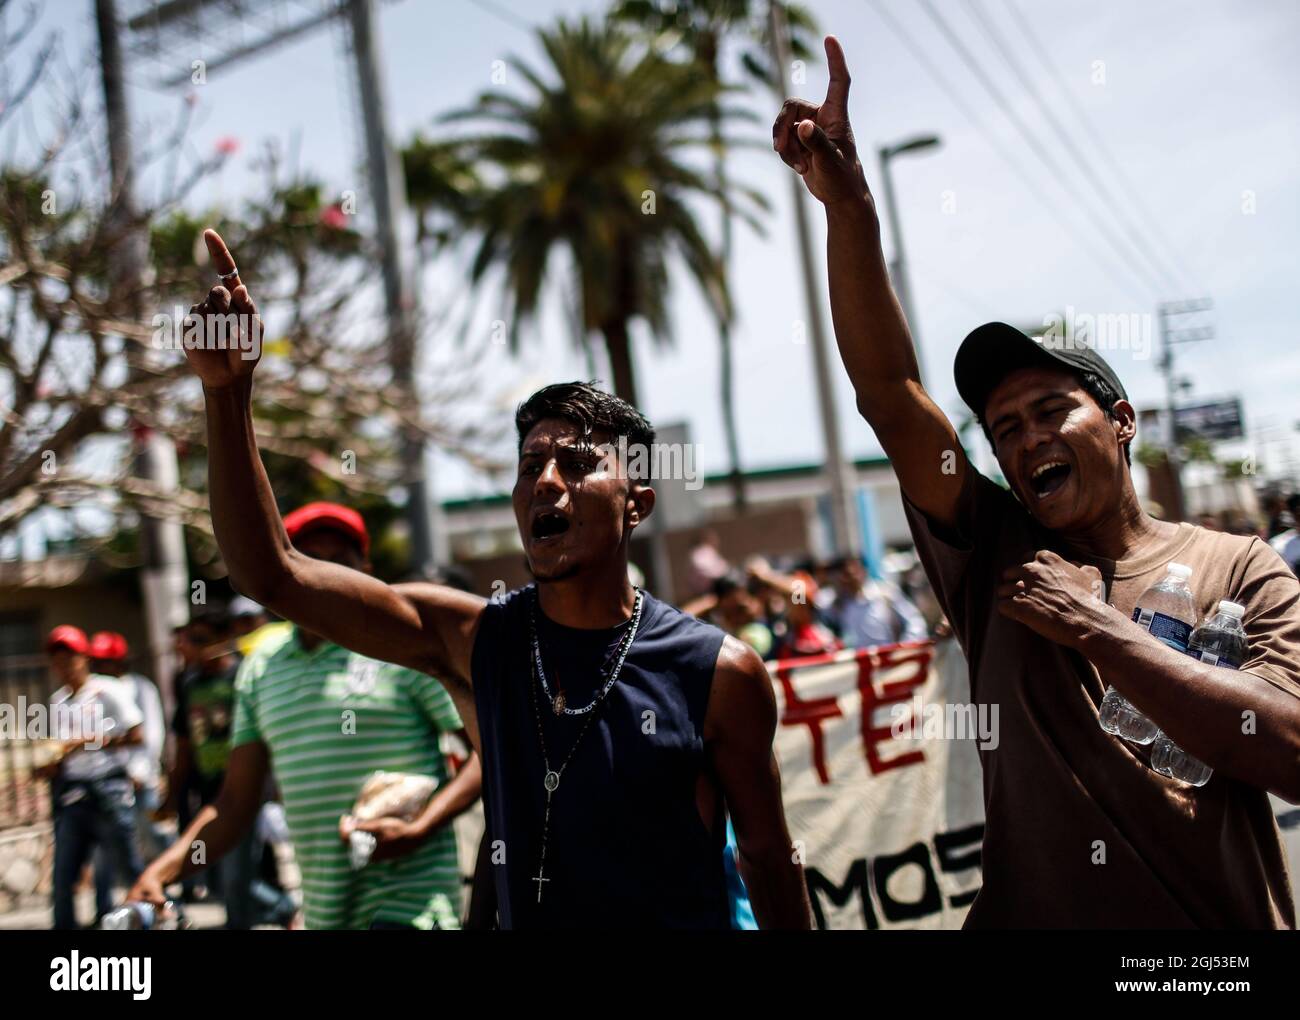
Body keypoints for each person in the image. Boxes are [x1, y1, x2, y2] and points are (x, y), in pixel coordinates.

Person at [773, 35, 1300, 927]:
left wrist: (1096, 629)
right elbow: (891, 399)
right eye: (1005, 428)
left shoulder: (1242, 569)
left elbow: (1288, 746)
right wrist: (848, 207)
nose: (1026, 439)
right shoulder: (992, 550)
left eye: (1054, 410)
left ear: (1121, 420)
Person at [165, 233, 811, 928]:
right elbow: (274, 574)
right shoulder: (478, 640)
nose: (547, 483)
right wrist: (227, 395)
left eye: (578, 462)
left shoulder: (719, 673)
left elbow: (770, 865)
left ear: (637, 502)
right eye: (530, 465)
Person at [132, 504, 482, 929]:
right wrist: (161, 871)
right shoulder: (261, 669)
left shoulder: (401, 649)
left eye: (339, 562)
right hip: (325, 913)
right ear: (285, 575)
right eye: (309, 561)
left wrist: (423, 825)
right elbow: (235, 802)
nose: (325, 577)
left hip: (410, 906)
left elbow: (486, 755)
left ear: (365, 568)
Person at [38, 626, 145, 929]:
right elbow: (61, 752)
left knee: (130, 868)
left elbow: (137, 735)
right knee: (63, 876)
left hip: (108, 787)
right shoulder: (58, 701)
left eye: (69, 658)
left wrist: (88, 741)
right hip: (74, 793)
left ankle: (156, 915)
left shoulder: (107, 690)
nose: (64, 666)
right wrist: (49, 765)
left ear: (83, 658)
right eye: (57, 660)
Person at [88, 631, 167, 921]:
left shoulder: (140, 688)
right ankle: (104, 908)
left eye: (105, 661)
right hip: (111, 781)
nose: (100, 666)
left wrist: (141, 771)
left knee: (153, 834)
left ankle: (170, 887)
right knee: (106, 846)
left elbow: (151, 733)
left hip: (140, 776)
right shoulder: (97, 689)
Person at [825, 556, 929, 649]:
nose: (849, 579)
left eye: (852, 573)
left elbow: (914, 620)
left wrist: (905, 647)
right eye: (844, 575)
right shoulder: (837, 605)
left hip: (893, 662)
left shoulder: (886, 593)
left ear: (863, 571)